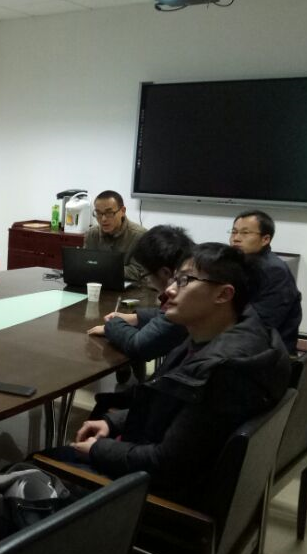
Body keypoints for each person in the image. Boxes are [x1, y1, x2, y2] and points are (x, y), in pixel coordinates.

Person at [59, 243, 290, 505]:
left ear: (224, 294)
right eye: (174, 279)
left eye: (184, 281)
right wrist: (113, 423)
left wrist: (99, 449)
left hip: (155, 499)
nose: (168, 290)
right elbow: (167, 401)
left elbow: (165, 463)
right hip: (165, 468)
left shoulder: (223, 370)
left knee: (33, 467)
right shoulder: (224, 332)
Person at [87, 225, 194, 362]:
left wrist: (112, 325)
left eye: (146, 274)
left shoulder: (184, 303)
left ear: (165, 273)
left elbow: (139, 346)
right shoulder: (191, 283)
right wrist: (134, 318)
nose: (147, 280)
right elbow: (164, 315)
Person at [230, 210, 302, 353]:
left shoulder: (274, 271)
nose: (236, 238)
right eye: (234, 232)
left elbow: (262, 322)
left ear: (265, 239)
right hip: (247, 339)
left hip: (269, 351)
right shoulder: (240, 263)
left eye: (245, 233)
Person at [83, 190, 147, 282]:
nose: (103, 219)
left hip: (129, 287)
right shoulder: (92, 234)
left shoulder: (140, 235)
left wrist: (104, 269)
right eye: (99, 213)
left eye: (109, 213)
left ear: (123, 211)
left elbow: (138, 271)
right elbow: (86, 263)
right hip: (96, 284)